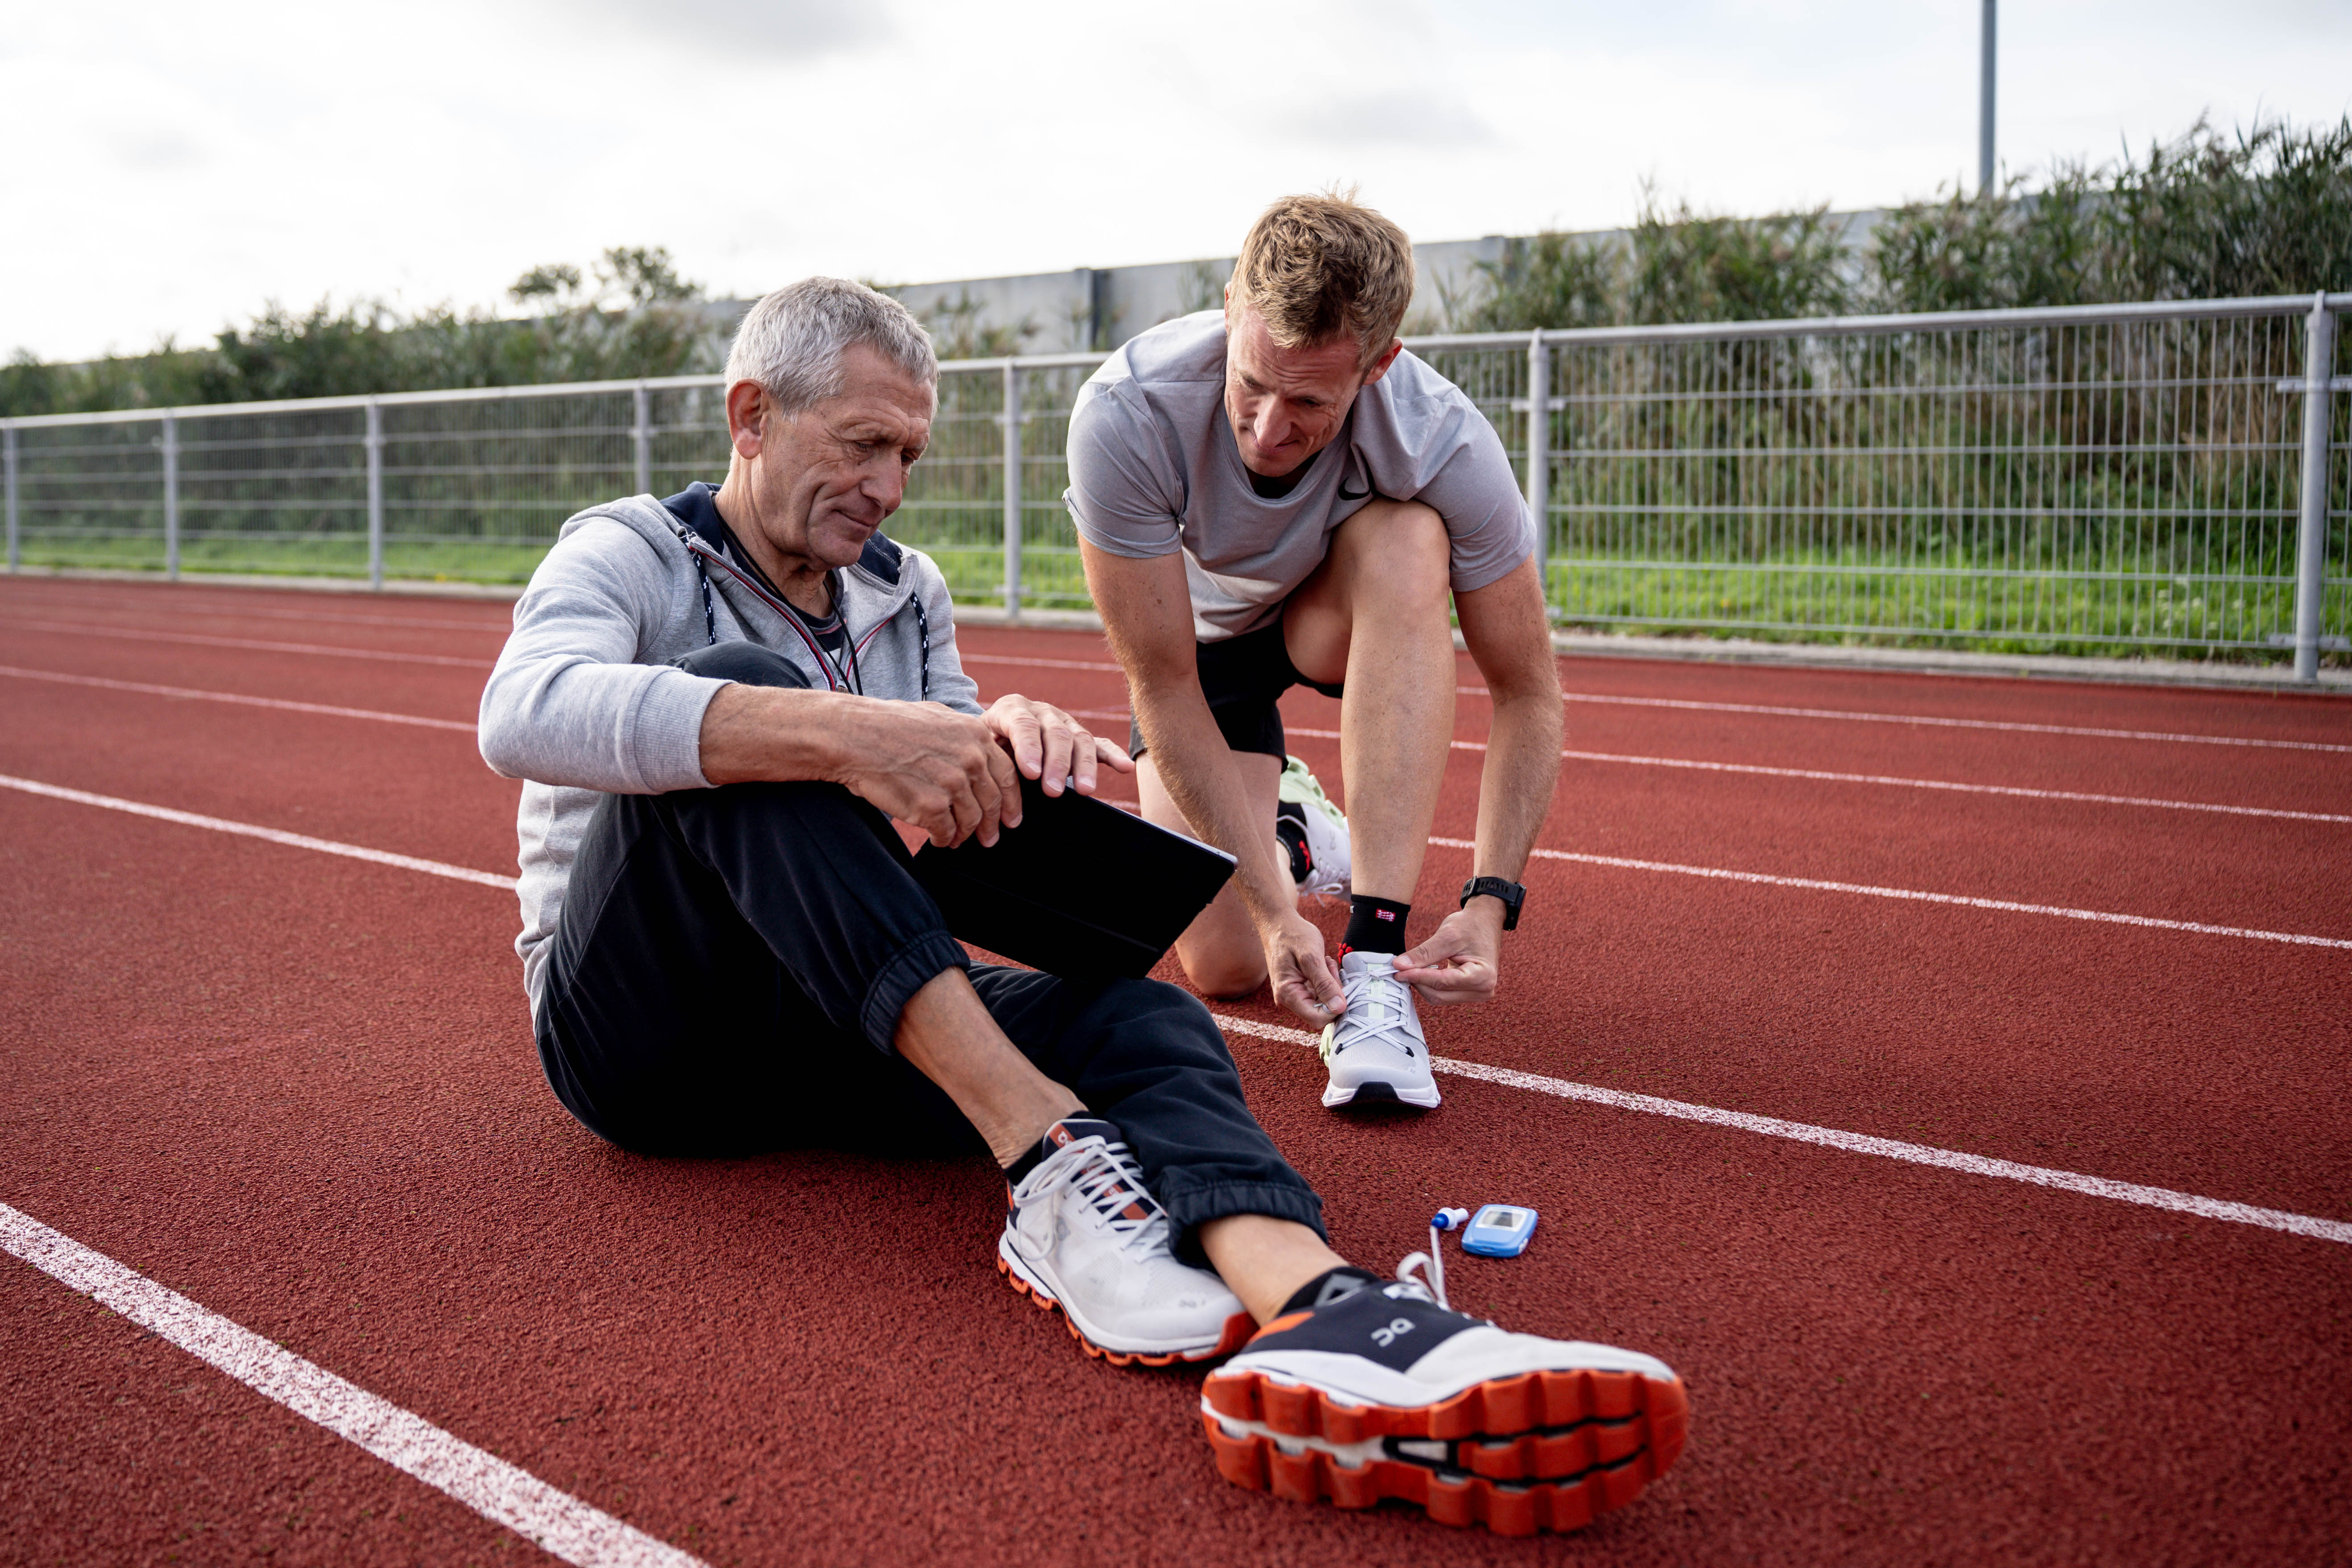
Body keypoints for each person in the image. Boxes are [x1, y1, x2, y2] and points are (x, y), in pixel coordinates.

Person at [477, 277, 1684, 1534]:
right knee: (737, 701)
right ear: (751, 416)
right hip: (640, 1040)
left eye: (907, 455)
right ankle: (1048, 1160)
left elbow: (935, 778)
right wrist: (850, 733)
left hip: (827, 1018)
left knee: (1145, 1019)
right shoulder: (628, 549)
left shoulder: (908, 589)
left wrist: (999, 744)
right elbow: (521, 712)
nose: (887, 485)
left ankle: (1328, 1315)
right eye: (861, 445)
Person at [1068, 192, 1565, 1112]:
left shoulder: (1443, 437)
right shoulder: (1126, 414)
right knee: (1221, 966)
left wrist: (1491, 899)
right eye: (1253, 384)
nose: (1267, 430)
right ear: (1229, 311)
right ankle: (1293, 831)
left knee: (1413, 535)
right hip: (1204, 650)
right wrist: (1270, 905)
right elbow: (1163, 684)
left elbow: (1528, 691)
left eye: (1308, 402)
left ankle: (1374, 956)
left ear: (1379, 365)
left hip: (1328, 614)